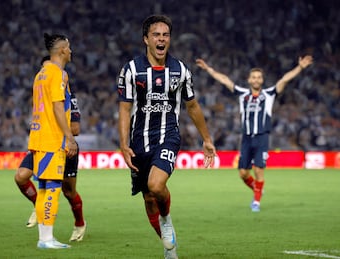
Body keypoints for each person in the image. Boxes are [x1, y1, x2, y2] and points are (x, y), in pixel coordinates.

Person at [117, 14, 216, 259]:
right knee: (149, 199)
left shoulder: (180, 70)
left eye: (165, 35)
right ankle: (167, 248)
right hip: (139, 141)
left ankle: (167, 219)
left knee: (156, 185)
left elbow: (192, 106)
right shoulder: (131, 70)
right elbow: (125, 109)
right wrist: (123, 144)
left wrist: (207, 139)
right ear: (146, 40)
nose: (161, 39)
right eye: (156, 35)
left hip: (168, 136)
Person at [196, 55, 313, 212]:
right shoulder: (242, 94)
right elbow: (225, 80)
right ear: (249, 80)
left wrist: (300, 68)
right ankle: (258, 189)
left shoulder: (269, 94)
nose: (256, 80)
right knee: (243, 173)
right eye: (254, 77)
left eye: (259, 77)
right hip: (246, 137)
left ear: (262, 81)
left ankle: (256, 202)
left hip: (262, 137)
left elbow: (284, 80)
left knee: (258, 169)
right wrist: (208, 69)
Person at [15, 55, 86, 242]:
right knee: (21, 176)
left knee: (68, 192)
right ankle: (38, 206)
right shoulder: (41, 96)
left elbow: (76, 128)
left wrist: (58, 129)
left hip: (62, 145)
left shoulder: (67, 96)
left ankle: (79, 223)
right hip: (42, 144)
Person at [27, 32, 78, 249]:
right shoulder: (58, 73)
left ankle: (44, 237)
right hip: (52, 138)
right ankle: (46, 239)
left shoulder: (41, 74)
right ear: (61, 51)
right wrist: (69, 138)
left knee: (43, 187)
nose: (71, 50)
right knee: (53, 187)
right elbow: (58, 106)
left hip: (38, 137)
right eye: (68, 47)